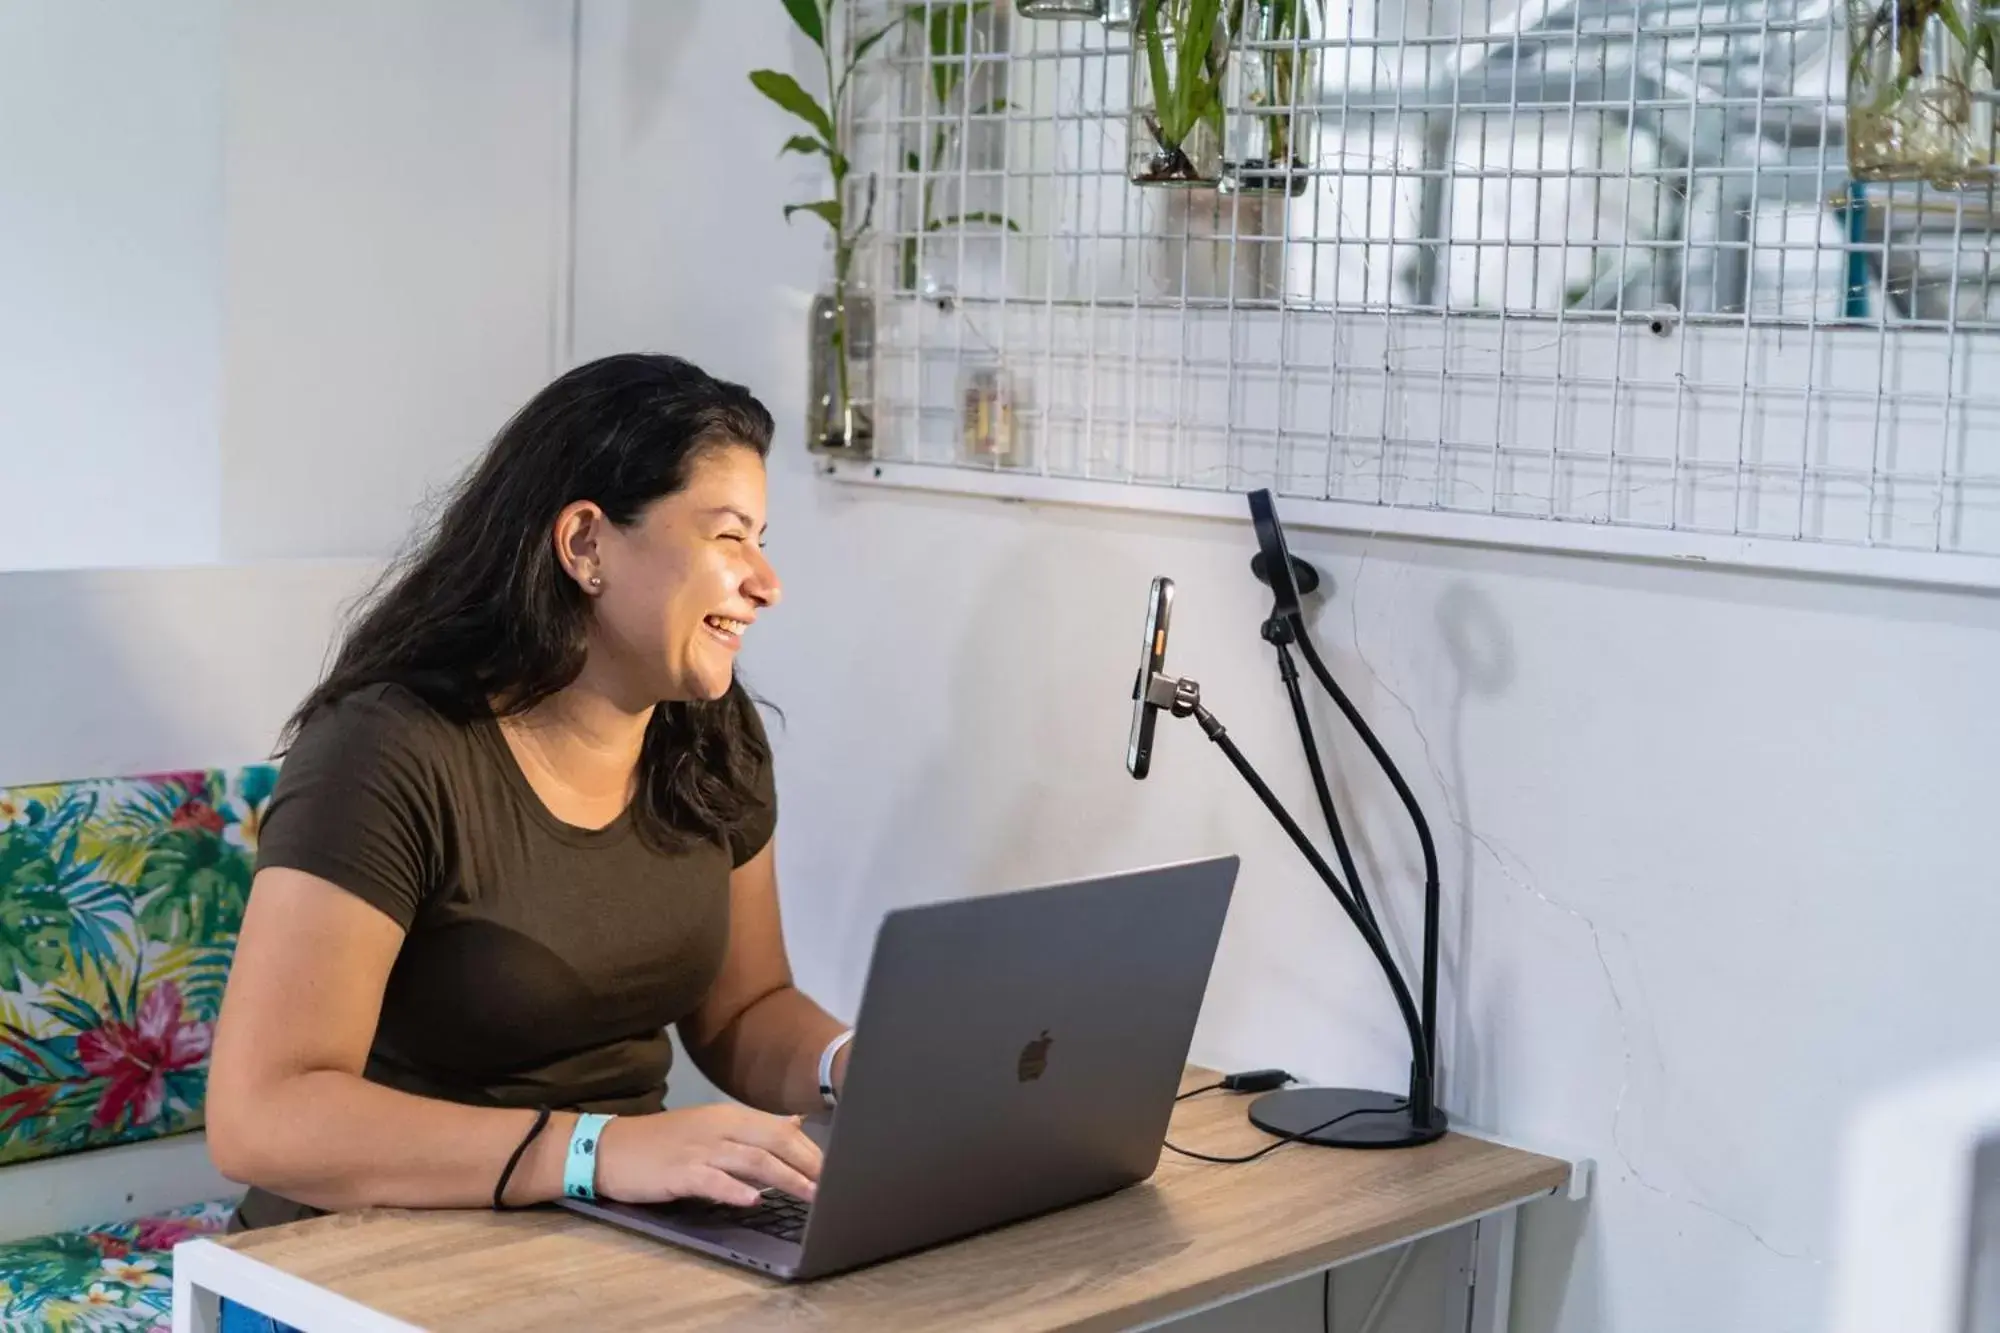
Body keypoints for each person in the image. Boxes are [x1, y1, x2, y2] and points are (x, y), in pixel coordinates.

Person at [206, 354, 845, 1268]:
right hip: (358, 1259)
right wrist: (596, 1150)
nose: (766, 581)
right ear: (586, 543)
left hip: (612, 1243)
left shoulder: (712, 732)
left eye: (763, 539)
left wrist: (854, 1065)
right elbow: (263, 1118)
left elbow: (747, 1007)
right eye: (729, 537)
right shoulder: (387, 751)